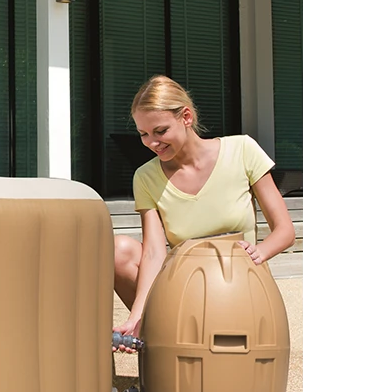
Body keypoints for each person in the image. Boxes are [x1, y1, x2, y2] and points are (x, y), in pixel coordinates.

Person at [113, 76, 295, 342]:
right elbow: (153, 251)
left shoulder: (242, 150)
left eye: (160, 131)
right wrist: (137, 315)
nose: (152, 142)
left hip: (238, 284)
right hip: (184, 287)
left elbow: (285, 231)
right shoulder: (145, 176)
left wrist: (258, 253)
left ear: (186, 117)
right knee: (119, 250)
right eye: (144, 134)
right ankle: (154, 336)